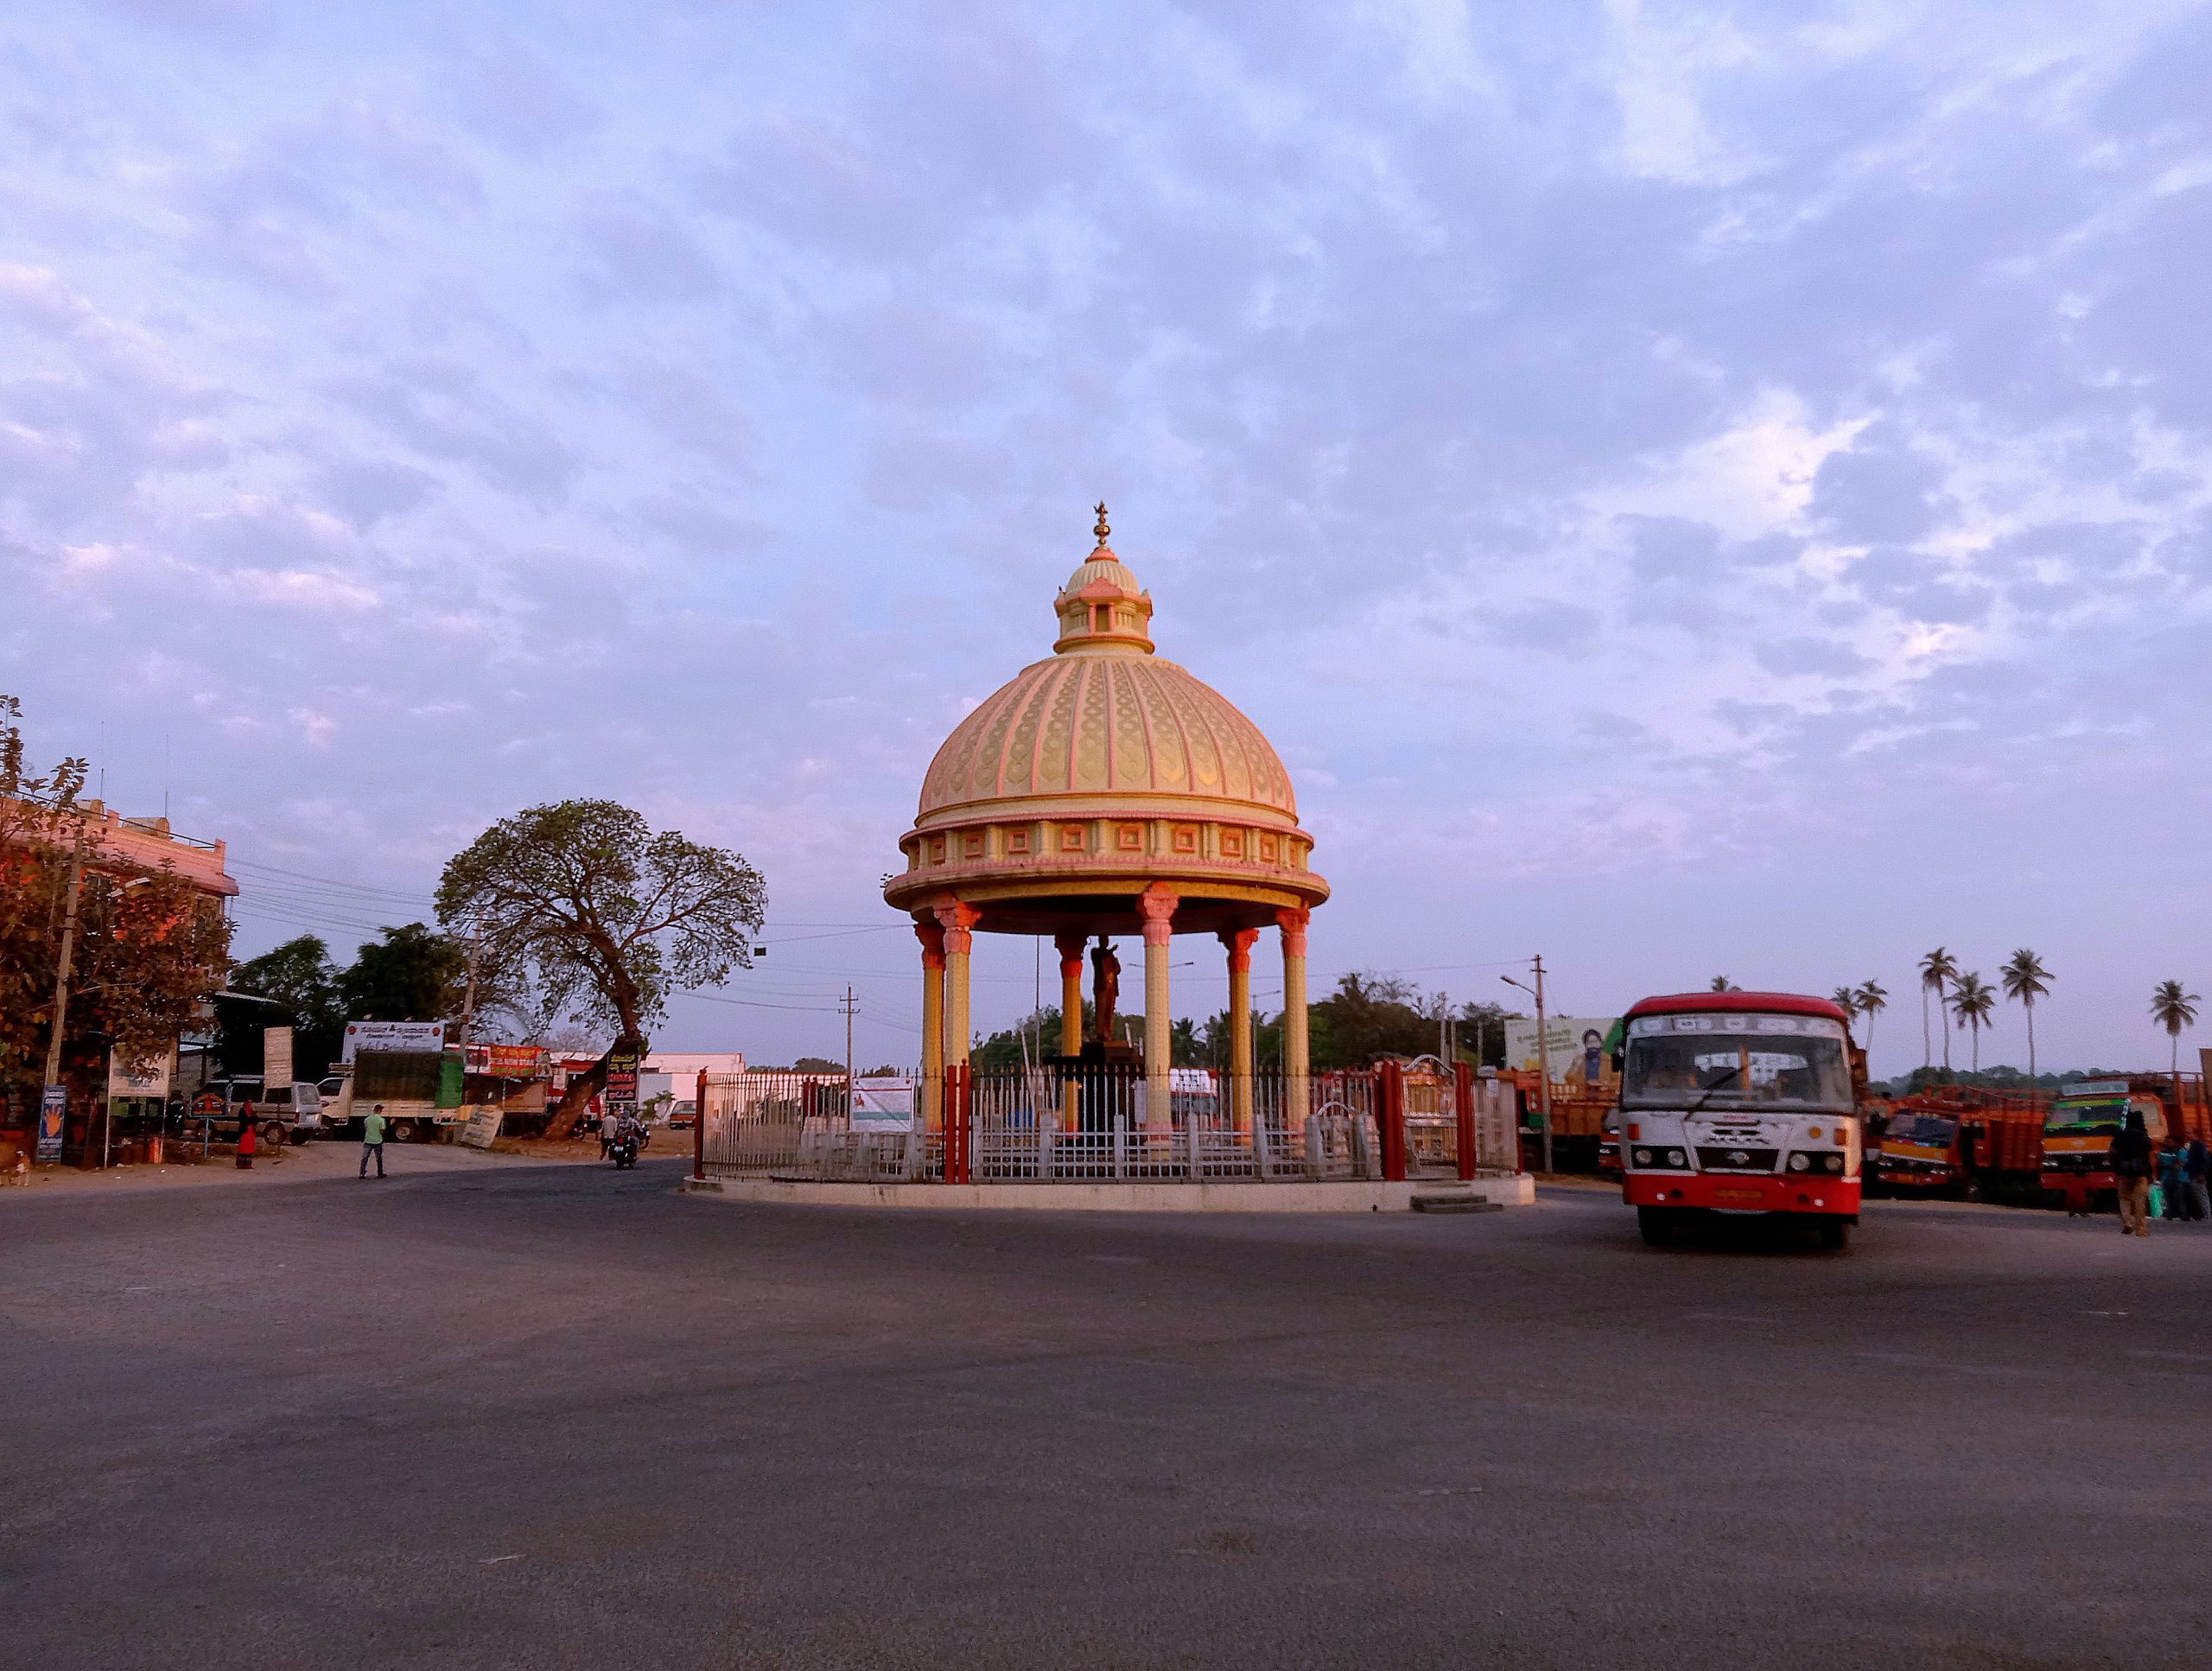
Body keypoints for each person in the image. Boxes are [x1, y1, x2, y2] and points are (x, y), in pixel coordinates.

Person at [2110, 1109, 2154, 1236]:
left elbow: (2111, 1152)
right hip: (2141, 1173)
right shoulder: (2144, 1137)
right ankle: (2141, 1229)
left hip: (2123, 1172)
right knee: (2140, 1201)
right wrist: (2151, 1173)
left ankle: (2128, 1223)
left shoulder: (2119, 1136)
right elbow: (2150, 1156)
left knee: (2124, 1198)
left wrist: (2116, 1167)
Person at [360, 1102, 387, 1179]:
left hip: (368, 1140)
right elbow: (382, 1131)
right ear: (380, 1110)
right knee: (379, 1158)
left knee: (365, 1157)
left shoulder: (367, 1119)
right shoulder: (381, 1120)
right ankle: (380, 1173)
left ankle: (362, 1173)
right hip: (377, 1141)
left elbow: (366, 1127)